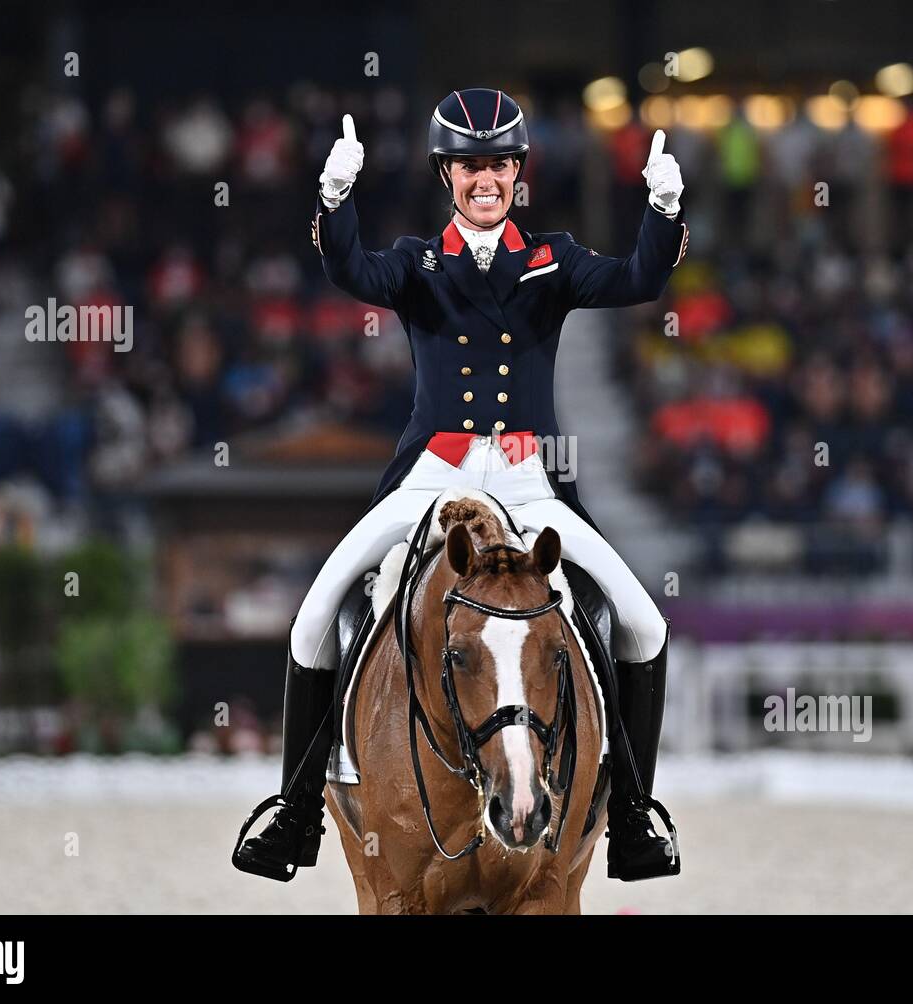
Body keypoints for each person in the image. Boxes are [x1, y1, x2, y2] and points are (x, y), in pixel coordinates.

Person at [234, 88, 688, 882]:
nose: (487, 179)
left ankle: (631, 817)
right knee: (312, 621)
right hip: (431, 482)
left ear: (518, 174)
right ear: (449, 175)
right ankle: (296, 815)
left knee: (643, 624)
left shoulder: (552, 259)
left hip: (527, 482)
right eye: (471, 166)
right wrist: (333, 199)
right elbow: (351, 268)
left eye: (500, 165)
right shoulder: (417, 262)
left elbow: (640, 278)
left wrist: (664, 205)